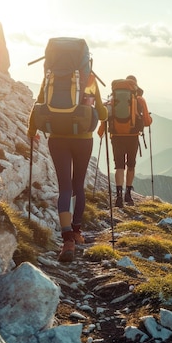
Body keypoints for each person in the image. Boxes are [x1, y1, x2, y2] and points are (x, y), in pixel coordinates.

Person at [27, 74, 108, 262]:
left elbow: (38, 105)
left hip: (57, 139)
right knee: (78, 185)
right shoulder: (88, 79)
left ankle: (67, 239)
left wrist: (32, 132)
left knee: (65, 188)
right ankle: (77, 230)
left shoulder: (50, 77)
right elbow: (102, 114)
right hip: (83, 140)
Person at [100, 75, 152, 207]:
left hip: (116, 136)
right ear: (135, 86)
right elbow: (147, 122)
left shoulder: (112, 100)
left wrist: (101, 132)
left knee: (119, 166)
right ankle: (128, 195)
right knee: (131, 165)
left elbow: (104, 119)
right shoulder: (140, 100)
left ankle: (118, 197)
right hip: (132, 136)